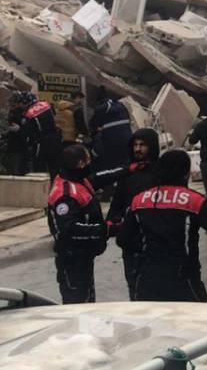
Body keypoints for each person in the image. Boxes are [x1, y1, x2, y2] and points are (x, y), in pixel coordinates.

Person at [117, 149, 207, 302]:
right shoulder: (194, 201)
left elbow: (122, 239)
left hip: (147, 279)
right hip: (183, 279)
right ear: (185, 173)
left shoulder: (139, 200)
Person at [45, 145, 127, 303]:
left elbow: (100, 178)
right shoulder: (66, 195)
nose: (91, 163)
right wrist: (105, 229)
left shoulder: (79, 181)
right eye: (88, 160)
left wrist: (127, 170)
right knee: (78, 304)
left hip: (84, 256)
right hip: (72, 259)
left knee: (88, 299)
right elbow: (69, 229)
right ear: (81, 164)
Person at [106, 128, 162, 300]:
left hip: (157, 239)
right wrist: (111, 224)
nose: (138, 149)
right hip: (131, 240)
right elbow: (117, 203)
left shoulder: (161, 172)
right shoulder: (128, 173)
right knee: (135, 287)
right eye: (135, 145)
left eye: (142, 145)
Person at [89, 90, 133, 175]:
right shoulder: (122, 107)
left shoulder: (100, 109)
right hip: (127, 142)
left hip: (111, 146)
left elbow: (92, 124)